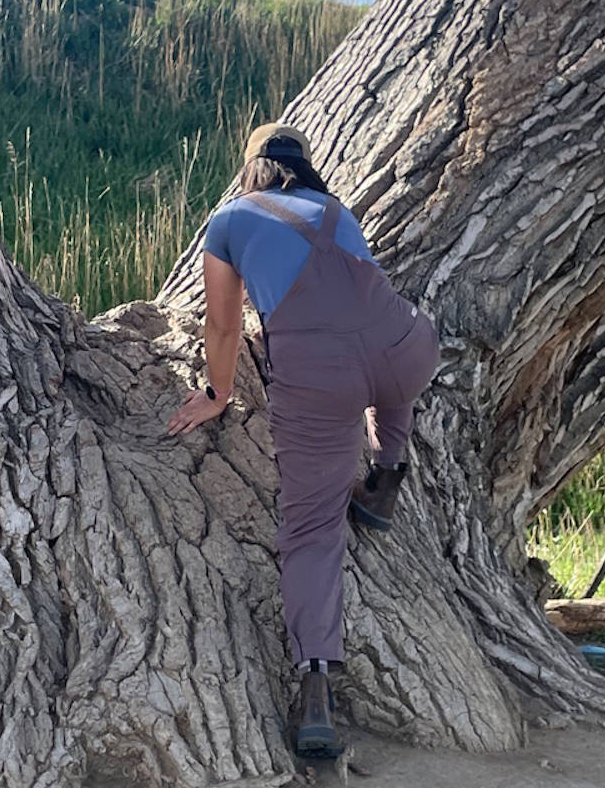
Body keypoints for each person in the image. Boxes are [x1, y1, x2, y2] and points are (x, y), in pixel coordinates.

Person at [166, 122, 439, 758]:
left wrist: (217, 395)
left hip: (316, 383)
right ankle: (388, 472)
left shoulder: (230, 220)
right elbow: (361, 308)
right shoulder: (336, 210)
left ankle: (316, 688)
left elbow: (224, 325)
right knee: (396, 358)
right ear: (302, 167)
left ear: (253, 169)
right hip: (404, 352)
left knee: (313, 533)